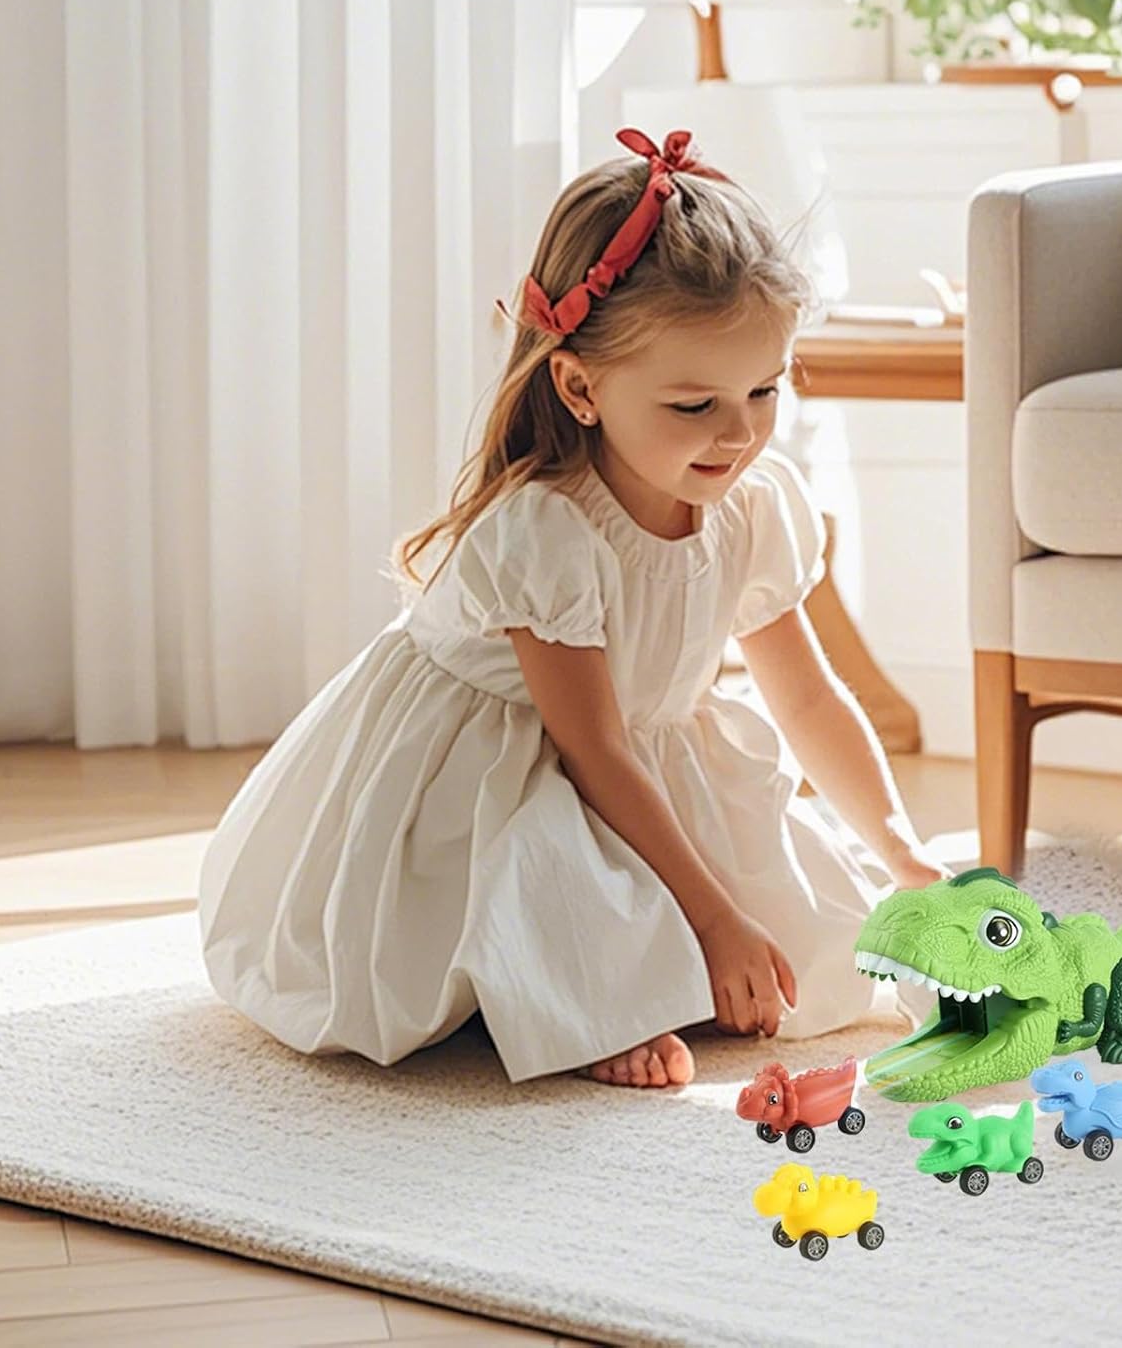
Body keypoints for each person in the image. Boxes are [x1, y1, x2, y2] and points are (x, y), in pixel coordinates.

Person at [198, 127, 942, 1091]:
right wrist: (712, 918)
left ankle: (620, 967)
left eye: (765, 390)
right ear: (581, 386)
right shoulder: (547, 531)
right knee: (568, 880)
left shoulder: (754, 507)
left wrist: (902, 851)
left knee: (824, 940)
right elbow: (590, 752)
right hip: (502, 776)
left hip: (635, 760)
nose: (740, 434)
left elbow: (805, 699)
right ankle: (572, 997)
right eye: (694, 407)